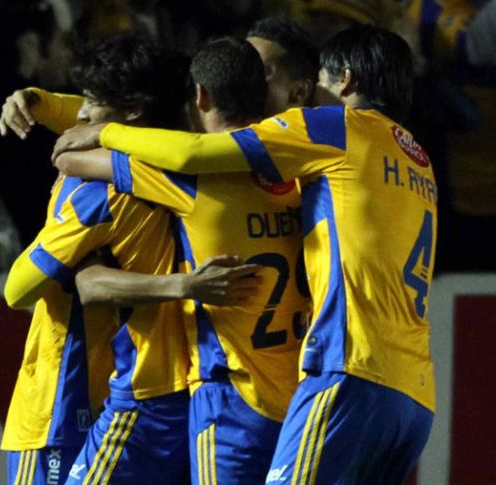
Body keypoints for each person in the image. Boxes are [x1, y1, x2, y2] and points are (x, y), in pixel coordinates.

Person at [54, 25, 438, 484]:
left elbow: (194, 152)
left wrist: (109, 131)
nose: (307, 93)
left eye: (318, 80)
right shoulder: (418, 161)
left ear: (347, 81)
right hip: (414, 394)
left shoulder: (333, 126)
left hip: (350, 368)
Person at [0, 33, 259, 485]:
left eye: (92, 102)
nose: (79, 114)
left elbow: (15, 290)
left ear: (133, 110)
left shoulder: (97, 187)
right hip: (184, 389)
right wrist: (37, 101)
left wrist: (60, 245)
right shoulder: (188, 161)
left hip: (68, 393)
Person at [54, 36, 311, 485]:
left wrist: (100, 128)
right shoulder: (298, 172)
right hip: (296, 392)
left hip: (231, 391)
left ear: (201, 96)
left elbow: (72, 160)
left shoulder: (191, 178)